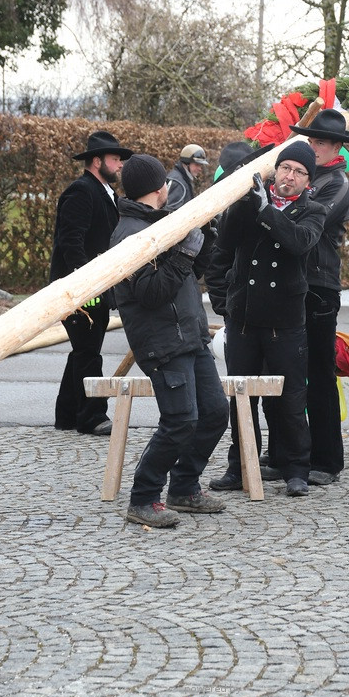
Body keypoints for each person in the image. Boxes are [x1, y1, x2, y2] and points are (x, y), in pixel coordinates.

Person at [110, 153, 229, 528]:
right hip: (161, 342)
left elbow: (192, 270)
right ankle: (143, 498)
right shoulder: (129, 234)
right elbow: (151, 294)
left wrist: (206, 236)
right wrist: (185, 252)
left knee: (214, 413)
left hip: (189, 336)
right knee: (180, 421)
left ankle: (184, 488)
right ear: (159, 187)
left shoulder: (158, 220)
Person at [206, 143, 326, 497]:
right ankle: (240, 466)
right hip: (243, 320)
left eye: (299, 172)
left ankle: (296, 469)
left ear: (307, 181)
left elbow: (299, 243)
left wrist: (266, 210)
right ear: (275, 170)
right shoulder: (248, 201)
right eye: (285, 168)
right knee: (241, 398)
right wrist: (223, 303)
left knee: (290, 399)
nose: (289, 176)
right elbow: (222, 252)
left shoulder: (313, 211)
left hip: (285, 323)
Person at [284, 108, 349, 485]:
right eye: (310, 141)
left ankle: (327, 459)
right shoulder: (304, 176)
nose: (312, 148)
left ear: (336, 148)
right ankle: (288, 452)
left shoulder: (336, 184)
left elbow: (304, 222)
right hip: (293, 284)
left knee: (318, 373)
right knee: (290, 373)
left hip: (320, 286)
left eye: (319, 143)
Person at [50, 130, 133, 436]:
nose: (120, 165)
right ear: (97, 161)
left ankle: (67, 414)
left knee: (84, 349)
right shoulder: (81, 191)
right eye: (115, 159)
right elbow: (71, 242)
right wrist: (86, 286)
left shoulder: (105, 193)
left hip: (94, 287)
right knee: (88, 352)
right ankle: (91, 416)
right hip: (80, 290)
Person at [166, 144, 208, 211]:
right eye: (197, 164)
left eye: (201, 165)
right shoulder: (178, 183)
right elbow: (172, 212)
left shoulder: (183, 179)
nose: (200, 169)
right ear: (186, 163)